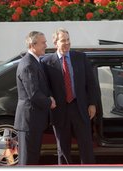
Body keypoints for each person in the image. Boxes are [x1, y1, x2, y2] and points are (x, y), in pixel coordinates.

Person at [42, 28, 98, 164]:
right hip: (59, 110)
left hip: (80, 108)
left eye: (68, 40)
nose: (67, 43)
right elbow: (44, 86)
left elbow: (91, 82)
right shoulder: (46, 62)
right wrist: (49, 98)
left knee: (86, 145)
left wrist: (92, 103)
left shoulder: (80, 57)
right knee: (63, 148)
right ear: (55, 43)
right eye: (63, 41)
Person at [14, 31, 56, 165]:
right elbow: (34, 94)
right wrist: (50, 102)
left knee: (32, 156)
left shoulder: (35, 61)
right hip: (29, 121)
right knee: (28, 160)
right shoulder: (28, 65)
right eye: (43, 43)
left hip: (33, 120)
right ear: (33, 45)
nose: (46, 45)